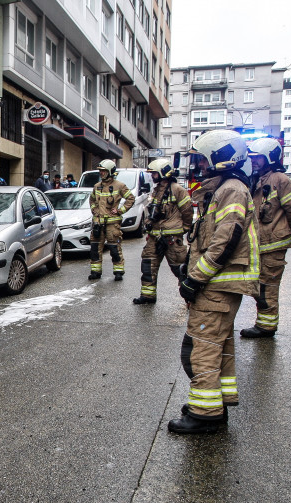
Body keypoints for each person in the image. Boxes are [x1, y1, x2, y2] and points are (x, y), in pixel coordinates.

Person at [169, 129, 260, 434]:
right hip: (217, 285)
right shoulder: (223, 189)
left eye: (203, 160)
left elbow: (225, 239)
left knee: (202, 346)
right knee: (216, 345)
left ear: (221, 159)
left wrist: (195, 278)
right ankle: (213, 403)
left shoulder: (231, 190)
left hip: (216, 286)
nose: (198, 167)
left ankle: (205, 413)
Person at [239, 138, 291, 338]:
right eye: (253, 157)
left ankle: (266, 327)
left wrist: (286, 230)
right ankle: (264, 323)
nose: (254, 161)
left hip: (273, 247)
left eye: (258, 157)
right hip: (261, 245)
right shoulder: (258, 179)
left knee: (268, 287)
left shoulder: (280, 180)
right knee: (261, 286)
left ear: (270, 158)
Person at [132, 158, 193, 304]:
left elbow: (187, 212)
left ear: (163, 173)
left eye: (154, 173)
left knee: (180, 269)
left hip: (172, 239)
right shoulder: (157, 190)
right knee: (148, 265)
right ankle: (148, 295)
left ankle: (191, 298)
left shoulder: (178, 190)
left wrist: (184, 229)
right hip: (154, 237)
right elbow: (152, 210)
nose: (152, 176)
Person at [88, 159, 135, 280]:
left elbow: (130, 198)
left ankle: (118, 272)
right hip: (98, 223)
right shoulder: (97, 187)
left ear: (110, 171)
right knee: (95, 248)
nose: (101, 173)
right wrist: (94, 210)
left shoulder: (119, 186)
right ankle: (95, 272)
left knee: (114, 248)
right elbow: (92, 200)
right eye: (100, 171)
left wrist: (120, 210)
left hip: (112, 224)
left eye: (103, 171)